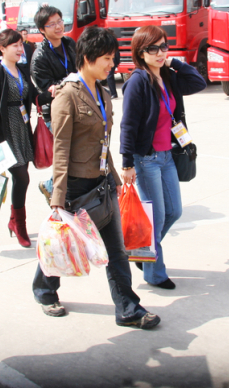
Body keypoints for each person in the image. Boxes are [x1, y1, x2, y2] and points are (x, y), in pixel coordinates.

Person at [32, 26, 161, 329]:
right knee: (64, 244)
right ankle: (45, 290)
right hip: (76, 188)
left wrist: (114, 178)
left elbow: (104, 142)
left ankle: (128, 309)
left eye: (112, 58)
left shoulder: (103, 93)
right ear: (88, 58)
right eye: (106, 59)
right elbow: (61, 149)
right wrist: (58, 198)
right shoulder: (67, 95)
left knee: (117, 252)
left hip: (102, 184)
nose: (111, 65)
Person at [120, 26, 206, 290]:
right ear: (140, 52)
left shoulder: (168, 76)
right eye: (153, 48)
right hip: (146, 159)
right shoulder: (137, 82)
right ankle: (154, 273)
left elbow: (199, 82)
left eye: (163, 47)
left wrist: (174, 62)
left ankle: (144, 252)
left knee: (174, 211)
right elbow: (128, 125)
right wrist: (127, 163)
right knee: (155, 219)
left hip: (168, 155)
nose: (160, 53)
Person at [0, 29, 37, 247]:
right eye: (15, 45)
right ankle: (19, 225)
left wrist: (55, 92)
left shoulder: (22, 69)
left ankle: (14, 221)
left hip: (22, 129)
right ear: (2, 48)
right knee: (22, 178)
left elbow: (33, 96)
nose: (20, 49)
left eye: (21, 44)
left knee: (21, 178)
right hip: (6, 133)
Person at [29, 6, 77, 205]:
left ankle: (57, 190)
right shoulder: (39, 56)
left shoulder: (70, 43)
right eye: (52, 24)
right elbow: (46, 88)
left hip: (77, 106)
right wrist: (70, 82)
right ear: (42, 29)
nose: (58, 27)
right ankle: (53, 189)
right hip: (57, 113)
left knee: (76, 155)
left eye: (59, 21)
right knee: (67, 157)